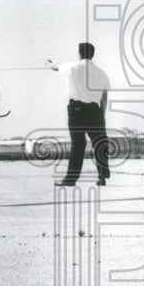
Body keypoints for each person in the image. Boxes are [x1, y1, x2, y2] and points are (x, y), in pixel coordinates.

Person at [47, 42, 111, 186]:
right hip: (95, 112)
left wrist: (48, 62)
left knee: (78, 145)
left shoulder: (72, 67)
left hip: (77, 111)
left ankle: (70, 179)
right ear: (92, 54)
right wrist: (101, 116)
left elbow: (54, 67)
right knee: (100, 143)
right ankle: (102, 175)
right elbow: (104, 98)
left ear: (79, 53)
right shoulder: (102, 73)